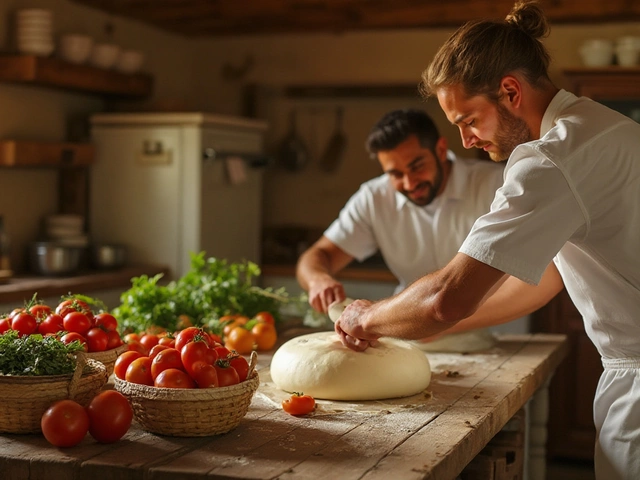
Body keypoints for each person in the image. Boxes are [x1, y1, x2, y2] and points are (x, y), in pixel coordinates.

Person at [332, 2, 640, 479]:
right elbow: (549, 278)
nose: (465, 141)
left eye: (469, 120)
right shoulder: (605, 129)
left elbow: (443, 299)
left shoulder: (551, 160)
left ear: (510, 91)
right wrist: (438, 328)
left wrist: (366, 317)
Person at [296, 108, 505, 320]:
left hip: (491, 331)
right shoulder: (373, 198)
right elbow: (318, 255)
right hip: (409, 332)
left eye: (417, 166)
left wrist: (437, 320)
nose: (409, 183)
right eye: (395, 174)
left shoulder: (498, 185)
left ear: (441, 150)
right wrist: (318, 280)